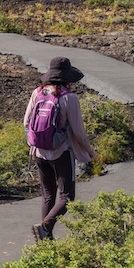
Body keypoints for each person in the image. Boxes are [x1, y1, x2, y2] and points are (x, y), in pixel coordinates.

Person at [23, 56, 95, 241]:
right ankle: (45, 227)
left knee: (48, 195)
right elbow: (79, 132)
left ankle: (46, 241)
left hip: (38, 152)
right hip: (61, 152)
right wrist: (90, 152)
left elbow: (26, 122)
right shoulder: (69, 98)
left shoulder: (37, 93)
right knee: (67, 197)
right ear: (67, 77)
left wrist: (35, 142)